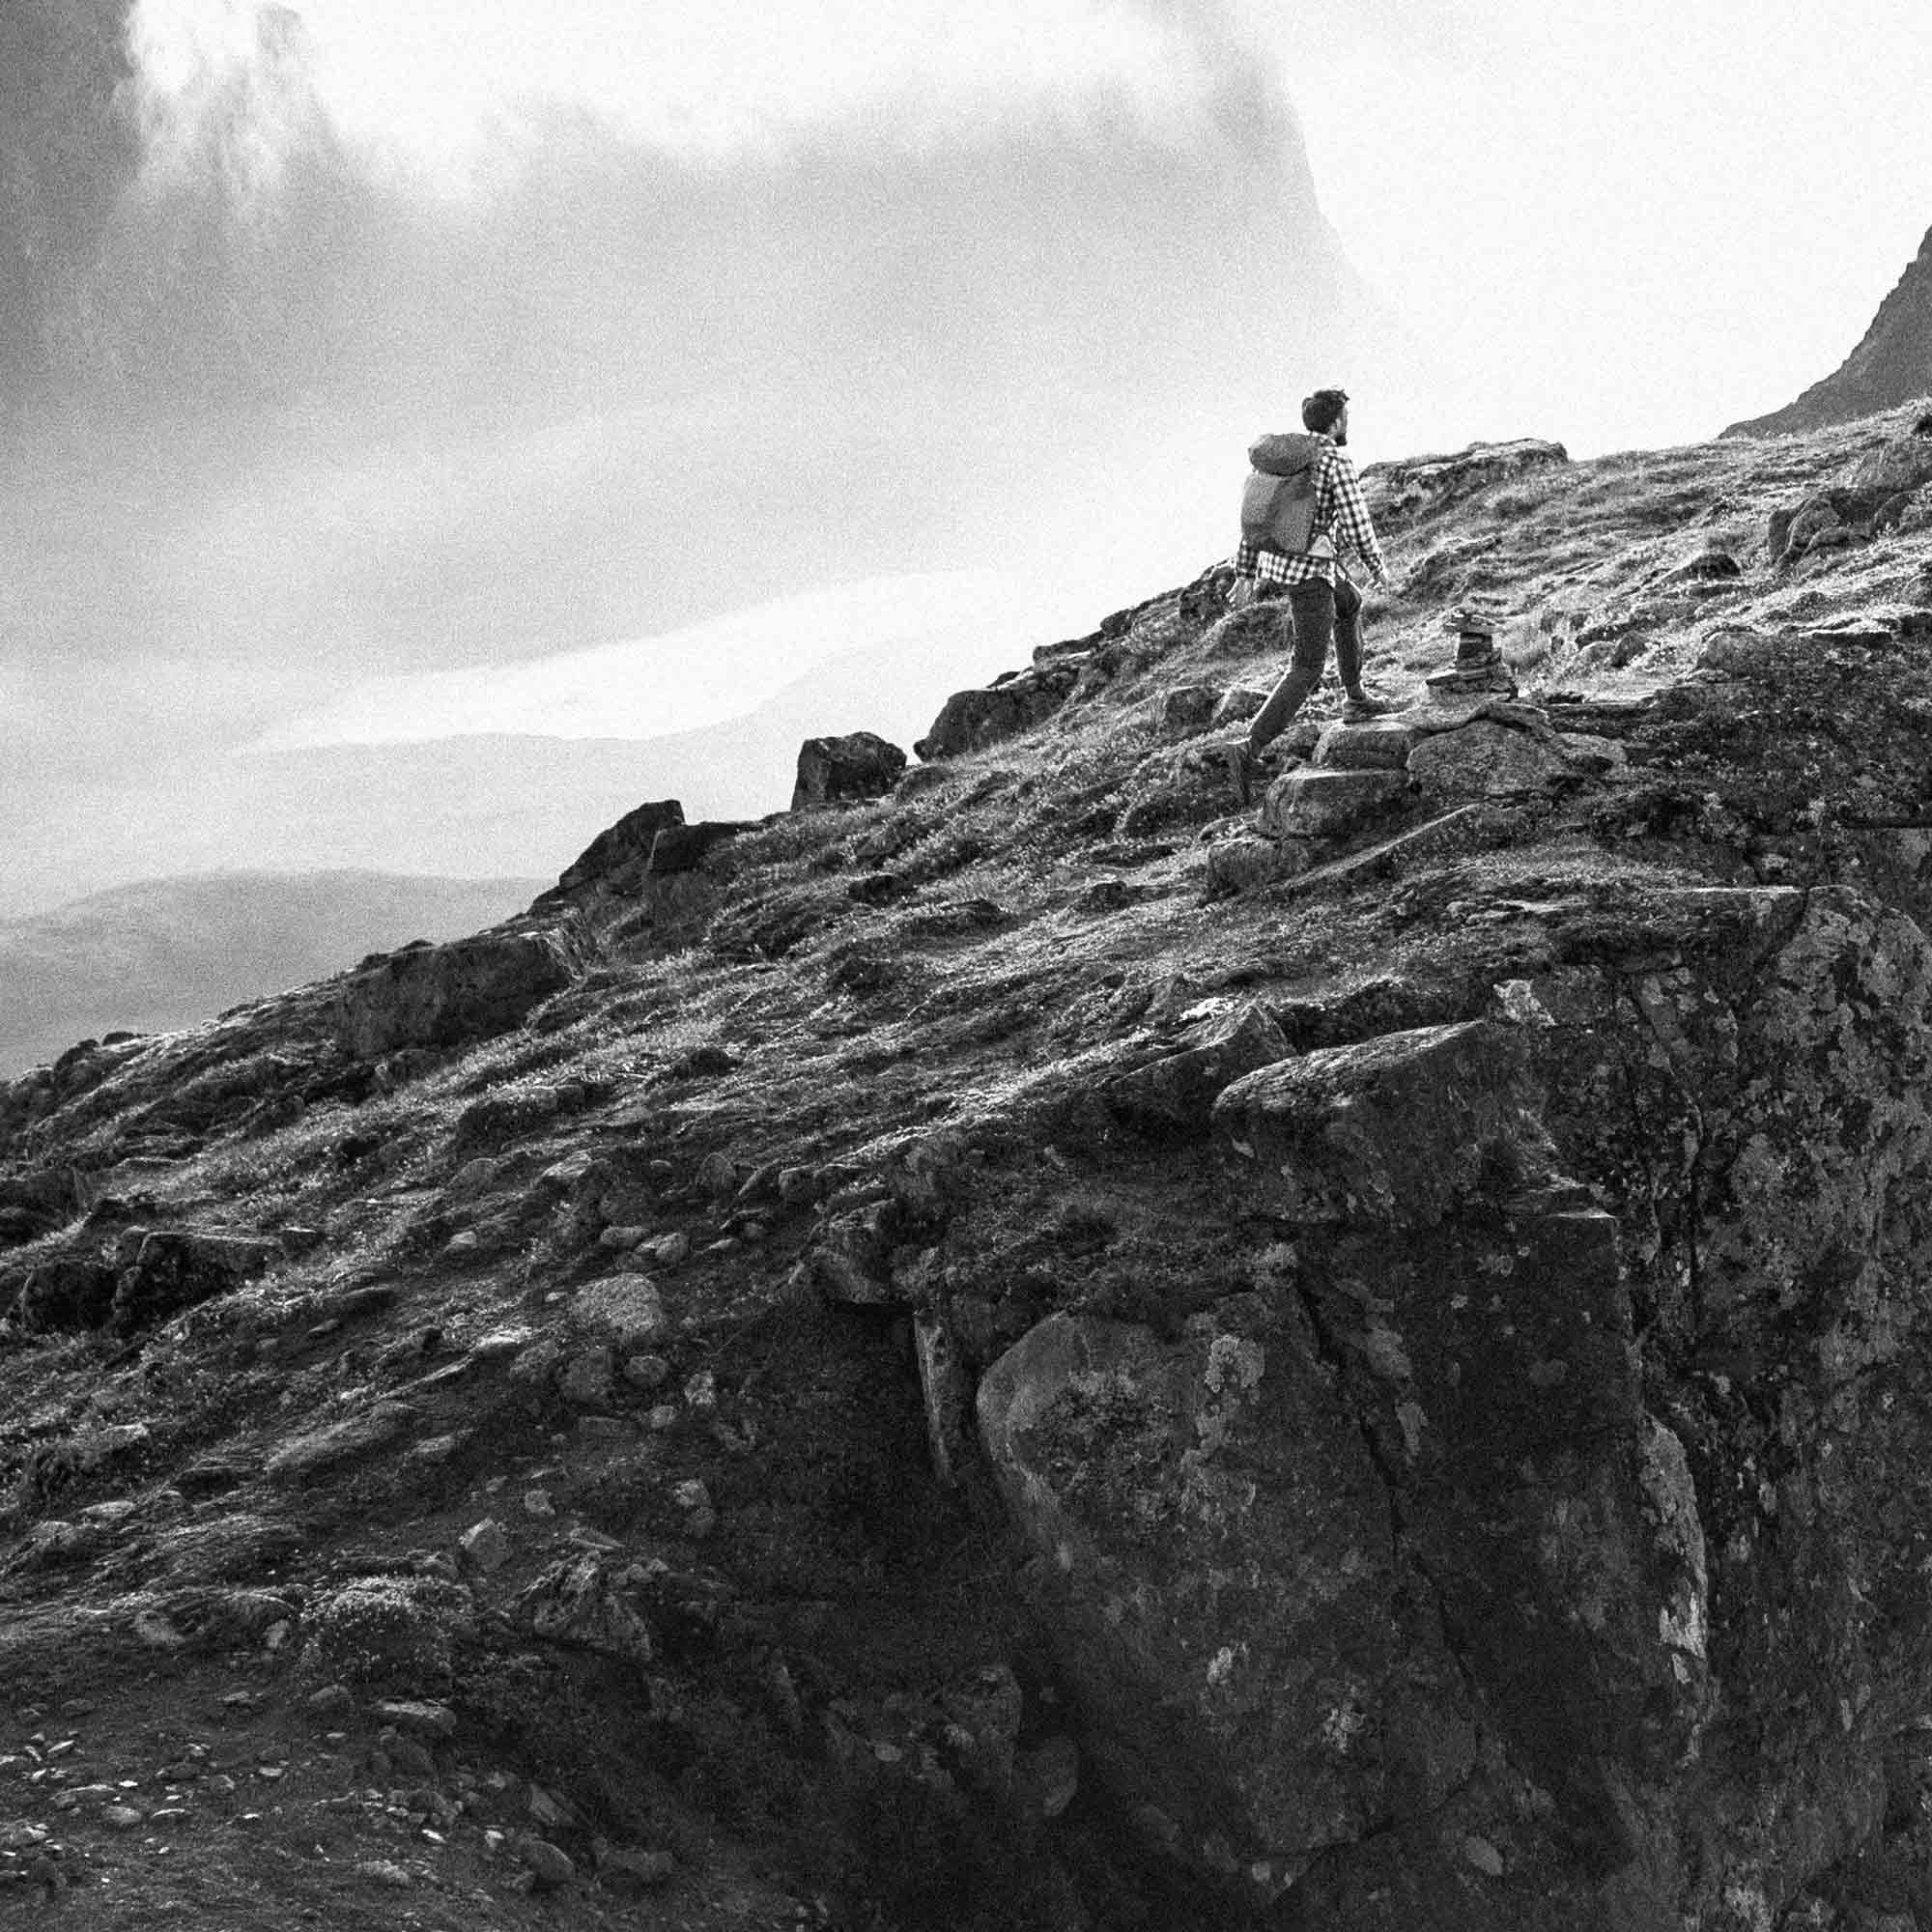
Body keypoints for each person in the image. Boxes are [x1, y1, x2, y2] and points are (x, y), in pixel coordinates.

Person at [1224, 388, 1394, 806]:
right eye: (1346, 416)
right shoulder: (1333, 459)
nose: (1348, 422)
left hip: (1288, 565)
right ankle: (1249, 747)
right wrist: (1377, 566)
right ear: (1336, 422)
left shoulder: (1286, 458)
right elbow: (1357, 521)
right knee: (1307, 666)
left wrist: (1245, 573)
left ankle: (1355, 698)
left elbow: (1256, 517)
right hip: (1309, 574)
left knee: (1349, 602)